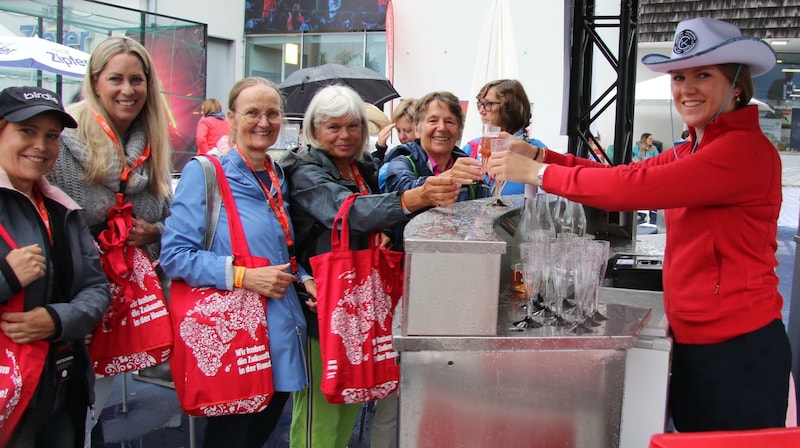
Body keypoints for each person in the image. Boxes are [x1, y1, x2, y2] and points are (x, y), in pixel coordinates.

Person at [487, 17, 791, 433]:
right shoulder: (696, 147)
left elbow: (632, 189)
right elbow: (623, 174)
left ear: (737, 85)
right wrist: (544, 159)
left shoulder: (742, 151)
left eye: (704, 75)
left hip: (737, 345)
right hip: (699, 336)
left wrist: (539, 175)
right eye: (679, 76)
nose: (687, 88)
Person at [280, 85, 466, 448]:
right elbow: (350, 211)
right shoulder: (304, 170)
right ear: (315, 130)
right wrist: (418, 196)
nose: (345, 135)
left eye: (352, 126)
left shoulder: (359, 166)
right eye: (333, 127)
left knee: (348, 401)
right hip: (322, 304)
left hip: (356, 304)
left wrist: (378, 229)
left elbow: (370, 213)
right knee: (320, 415)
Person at [160, 76, 310, 448]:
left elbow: (280, 247)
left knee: (259, 432)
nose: (264, 122)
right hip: (235, 337)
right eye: (252, 112)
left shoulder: (275, 173)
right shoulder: (205, 172)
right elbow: (174, 256)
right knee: (231, 437)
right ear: (230, 117)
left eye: (272, 113)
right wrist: (243, 276)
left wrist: (303, 276)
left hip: (278, 330)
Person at [46, 35, 173, 447]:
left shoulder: (151, 145)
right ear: (95, 82)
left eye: (137, 80)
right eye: (115, 78)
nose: (127, 90)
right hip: (71, 300)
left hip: (122, 303)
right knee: (60, 411)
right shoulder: (61, 141)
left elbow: (167, 220)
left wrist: (153, 233)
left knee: (88, 410)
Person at [0, 86, 110, 446]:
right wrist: (6, 276)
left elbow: (97, 289)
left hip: (62, 384)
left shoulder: (63, 209)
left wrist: (57, 321)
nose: (41, 146)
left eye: (51, 136)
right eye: (27, 131)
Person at [382, 91, 489, 205]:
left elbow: (484, 211)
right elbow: (402, 193)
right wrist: (450, 177)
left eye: (449, 121)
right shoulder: (401, 162)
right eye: (433, 121)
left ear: (458, 131)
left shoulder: (470, 172)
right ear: (417, 130)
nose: (442, 128)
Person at [462, 79, 549, 195]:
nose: (481, 111)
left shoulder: (535, 151)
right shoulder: (471, 149)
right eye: (480, 104)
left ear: (510, 108)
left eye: (488, 104)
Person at [373, 98, 417, 165]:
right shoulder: (396, 156)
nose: (401, 136)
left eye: (407, 130)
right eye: (398, 131)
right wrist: (379, 151)